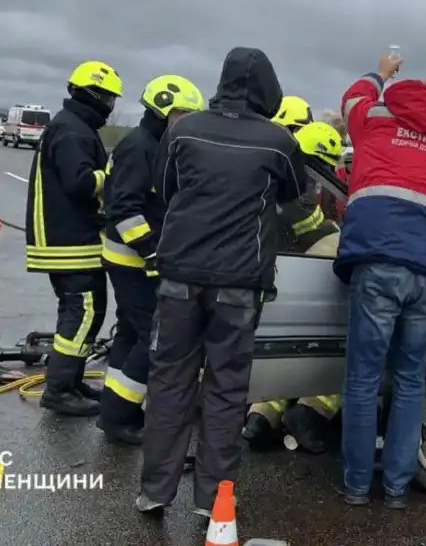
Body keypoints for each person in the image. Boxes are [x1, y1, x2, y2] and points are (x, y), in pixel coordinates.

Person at [138, 47, 306, 517]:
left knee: (169, 382)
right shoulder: (279, 142)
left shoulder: (182, 129)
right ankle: (213, 499)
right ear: (268, 89)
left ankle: (154, 491)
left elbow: (165, 189)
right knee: (227, 390)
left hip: (179, 277)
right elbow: (294, 196)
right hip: (240, 284)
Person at [333, 52, 426, 509]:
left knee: (364, 379)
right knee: (409, 380)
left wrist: (381, 73)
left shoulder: (375, 120)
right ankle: (397, 489)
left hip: (379, 261)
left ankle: (356, 486)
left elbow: (352, 98)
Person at [97, 74, 205, 445]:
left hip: (132, 260)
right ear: (162, 110)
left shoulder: (155, 144)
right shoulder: (140, 147)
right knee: (151, 337)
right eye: (182, 115)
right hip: (132, 261)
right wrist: (152, 251)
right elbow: (125, 208)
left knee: (130, 332)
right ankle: (121, 415)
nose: (186, 123)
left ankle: (112, 409)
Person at [24, 60, 122, 417]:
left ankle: (71, 381)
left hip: (68, 240)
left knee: (80, 314)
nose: (110, 106)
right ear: (94, 95)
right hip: (70, 243)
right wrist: (113, 175)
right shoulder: (73, 132)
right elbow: (80, 183)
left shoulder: (72, 126)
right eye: (108, 98)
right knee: (84, 314)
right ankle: (59, 390)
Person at [243, 121, 344, 453]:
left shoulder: (264, 174)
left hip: (264, 275)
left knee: (279, 354)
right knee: (343, 350)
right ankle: (311, 411)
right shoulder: (300, 186)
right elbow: (315, 230)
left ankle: (261, 416)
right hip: (295, 273)